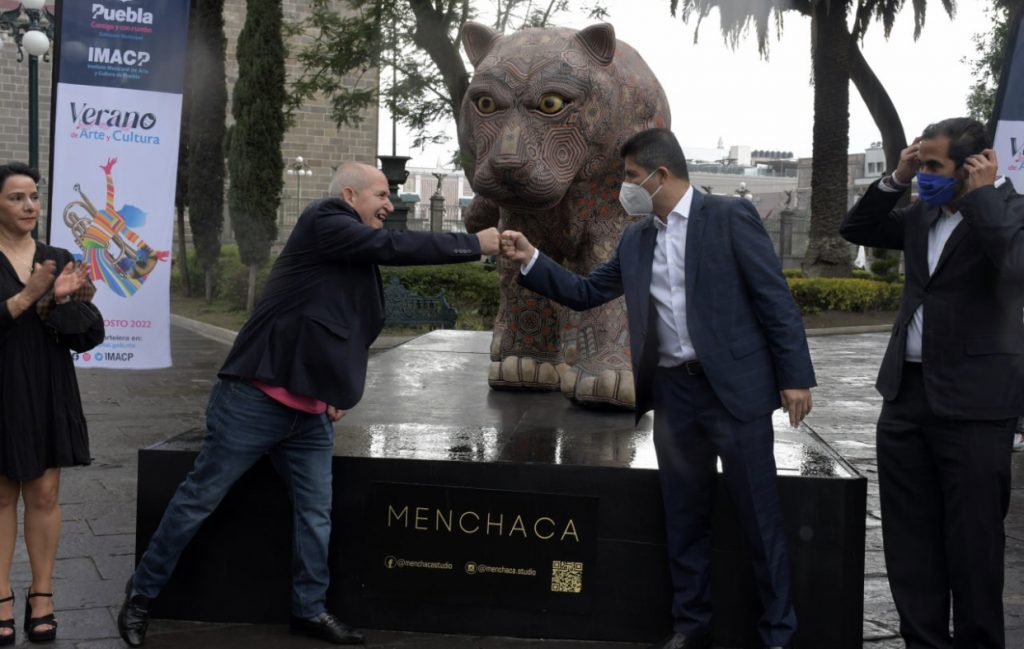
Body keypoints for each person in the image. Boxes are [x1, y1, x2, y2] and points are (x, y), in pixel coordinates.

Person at [117, 162, 500, 647]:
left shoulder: (353, 256)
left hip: (309, 414)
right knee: (199, 500)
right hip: (253, 399)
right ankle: (142, 596)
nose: (390, 205)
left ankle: (309, 609)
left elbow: (345, 329)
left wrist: (333, 390)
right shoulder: (323, 220)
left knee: (315, 515)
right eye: (382, 195)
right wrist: (474, 244)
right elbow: (392, 245)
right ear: (349, 195)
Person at [500, 128, 815, 649]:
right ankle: (691, 626)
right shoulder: (637, 237)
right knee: (683, 517)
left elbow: (774, 300)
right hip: (675, 395)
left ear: (659, 175)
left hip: (735, 394)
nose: (625, 187)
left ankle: (778, 632)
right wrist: (532, 258)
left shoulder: (729, 218)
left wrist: (795, 376)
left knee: (760, 519)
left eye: (629, 177)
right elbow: (584, 293)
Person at [840, 117, 1024, 649]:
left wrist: (983, 198)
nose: (924, 176)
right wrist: (895, 180)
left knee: (973, 545)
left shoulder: (1010, 210)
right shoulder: (920, 214)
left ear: (973, 165)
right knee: (909, 540)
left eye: (933, 167)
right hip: (906, 396)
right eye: (920, 165)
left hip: (976, 404)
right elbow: (858, 230)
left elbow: (1016, 268)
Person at [0, 162, 103, 645]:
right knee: (1, 497)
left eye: (34, 197)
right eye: (17, 197)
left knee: (43, 496)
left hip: (46, 387)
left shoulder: (59, 256)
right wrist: (27, 296)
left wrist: (64, 301)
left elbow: (87, 336)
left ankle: (41, 595)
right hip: (1, 388)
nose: (29, 206)